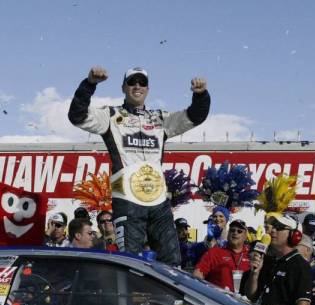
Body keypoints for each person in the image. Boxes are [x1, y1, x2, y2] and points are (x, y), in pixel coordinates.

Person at [68, 66, 210, 266]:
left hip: (158, 202)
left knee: (172, 261)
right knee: (129, 263)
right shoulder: (110, 116)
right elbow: (77, 116)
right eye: (132, 82)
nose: (137, 86)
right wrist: (89, 84)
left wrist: (201, 95)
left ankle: (167, 299)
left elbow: (195, 116)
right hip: (127, 201)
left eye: (142, 82)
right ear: (123, 87)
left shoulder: (161, 119)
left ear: (148, 89)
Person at [242, 214, 312, 305]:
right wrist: (254, 274)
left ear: (294, 235)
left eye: (279, 227)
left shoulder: (300, 265)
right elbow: (251, 296)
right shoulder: (267, 260)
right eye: (273, 226)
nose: (273, 230)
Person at [194, 219, 251, 292]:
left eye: (239, 231)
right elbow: (198, 273)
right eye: (232, 230)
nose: (235, 233)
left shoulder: (250, 255)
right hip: (218, 300)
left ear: (245, 236)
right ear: (228, 233)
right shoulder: (215, 252)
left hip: (242, 301)